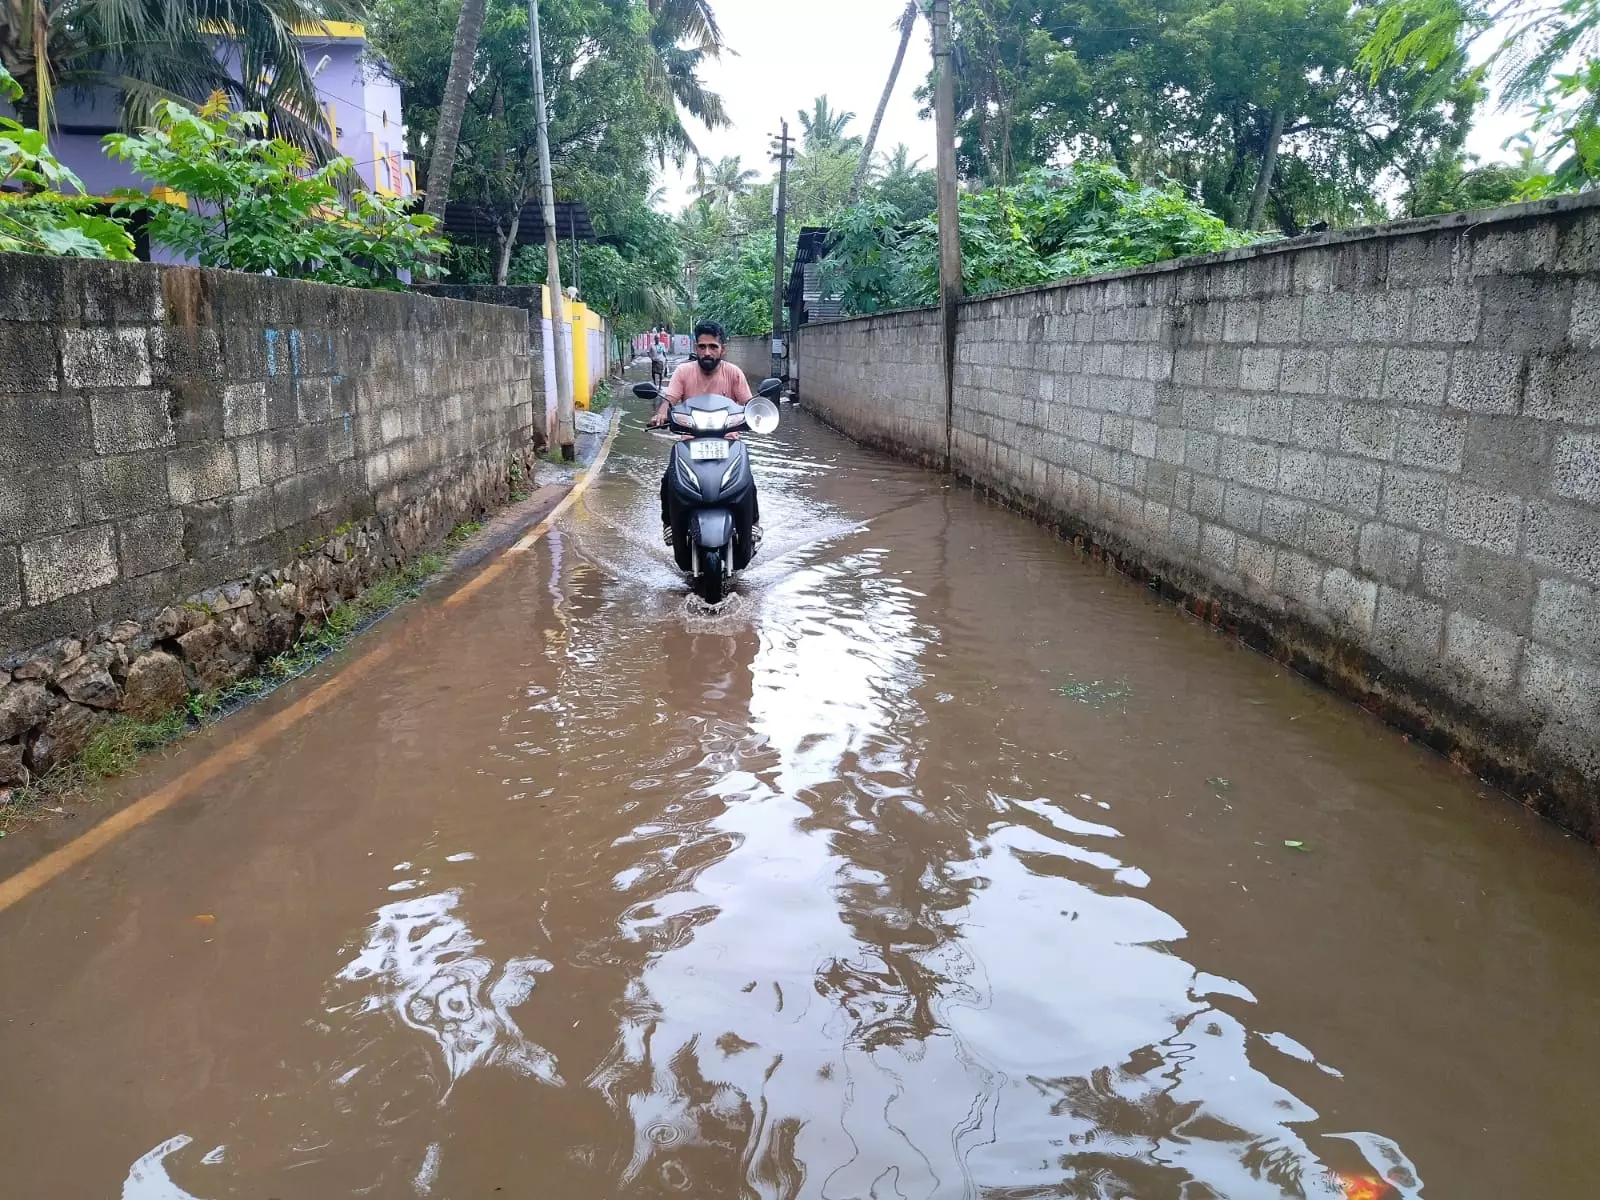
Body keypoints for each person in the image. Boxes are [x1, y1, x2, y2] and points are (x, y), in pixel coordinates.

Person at [649, 321, 760, 553]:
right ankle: (669, 524)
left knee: (747, 479)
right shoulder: (683, 372)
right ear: (695, 347)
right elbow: (669, 400)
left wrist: (757, 415)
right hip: (690, 442)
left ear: (723, 349)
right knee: (668, 480)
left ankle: (753, 523)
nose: (707, 352)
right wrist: (660, 414)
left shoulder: (733, 373)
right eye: (702, 346)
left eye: (713, 346)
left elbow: (749, 404)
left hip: (728, 442)